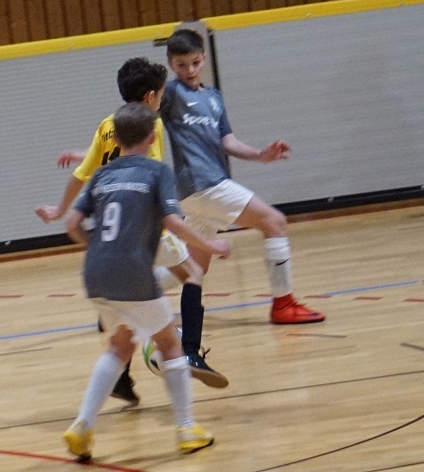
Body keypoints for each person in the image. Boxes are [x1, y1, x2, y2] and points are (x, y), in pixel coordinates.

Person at [36, 58, 229, 402]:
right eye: (161, 96)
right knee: (193, 273)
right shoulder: (152, 126)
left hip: (113, 232)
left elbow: (82, 173)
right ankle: (189, 351)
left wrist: (59, 210)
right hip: (147, 224)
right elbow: (147, 175)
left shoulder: (108, 125)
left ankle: (122, 378)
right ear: (151, 96)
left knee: (125, 308)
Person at [62, 102, 231, 459]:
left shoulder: (101, 175)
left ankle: (82, 426)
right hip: (132, 271)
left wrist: (99, 247)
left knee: (119, 346)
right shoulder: (156, 171)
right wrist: (210, 245)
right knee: (170, 345)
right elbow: (173, 221)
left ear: (116, 139)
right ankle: (187, 429)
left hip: (95, 273)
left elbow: (71, 224)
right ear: (153, 137)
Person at [159, 28, 325, 329]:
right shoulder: (170, 93)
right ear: (171, 64)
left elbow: (229, 142)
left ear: (204, 58)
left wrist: (261, 154)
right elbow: (140, 113)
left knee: (193, 267)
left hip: (200, 192)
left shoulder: (213, 97)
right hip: (202, 184)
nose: (190, 70)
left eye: (195, 63)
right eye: (181, 65)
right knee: (274, 221)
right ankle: (283, 305)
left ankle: (126, 301)